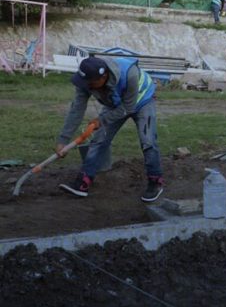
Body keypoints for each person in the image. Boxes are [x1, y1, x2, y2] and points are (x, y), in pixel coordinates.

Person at [57, 56, 164, 202]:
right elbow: (76, 110)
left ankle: (155, 181)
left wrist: (101, 120)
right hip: (115, 102)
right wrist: (63, 140)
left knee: (148, 141)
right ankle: (83, 182)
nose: (87, 86)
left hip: (142, 100)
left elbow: (128, 108)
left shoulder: (129, 74)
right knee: (99, 140)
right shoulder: (86, 80)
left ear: (104, 77)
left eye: (91, 83)